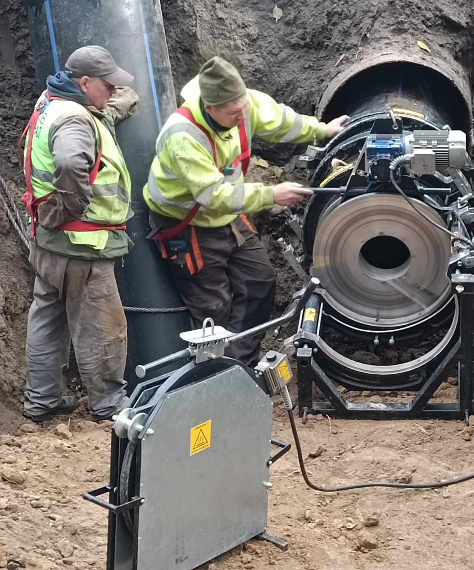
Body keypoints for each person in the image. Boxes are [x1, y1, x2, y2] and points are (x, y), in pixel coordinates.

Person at [144, 56, 348, 368]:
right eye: (233, 113)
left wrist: (322, 130)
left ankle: (241, 368)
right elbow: (213, 194)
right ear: (209, 107)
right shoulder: (183, 136)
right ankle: (214, 378)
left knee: (259, 282)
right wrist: (271, 195)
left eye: (243, 108)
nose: (242, 116)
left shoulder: (243, 105)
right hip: (188, 225)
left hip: (228, 215)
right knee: (213, 307)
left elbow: (283, 123)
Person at [21, 46, 138, 421]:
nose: (112, 90)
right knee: (103, 325)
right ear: (85, 83)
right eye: (108, 85)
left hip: (49, 241)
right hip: (82, 243)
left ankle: (42, 400)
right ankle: (108, 404)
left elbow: (88, 122)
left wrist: (116, 105)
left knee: (48, 318)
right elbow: (72, 159)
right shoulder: (73, 120)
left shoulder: (51, 102)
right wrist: (73, 206)